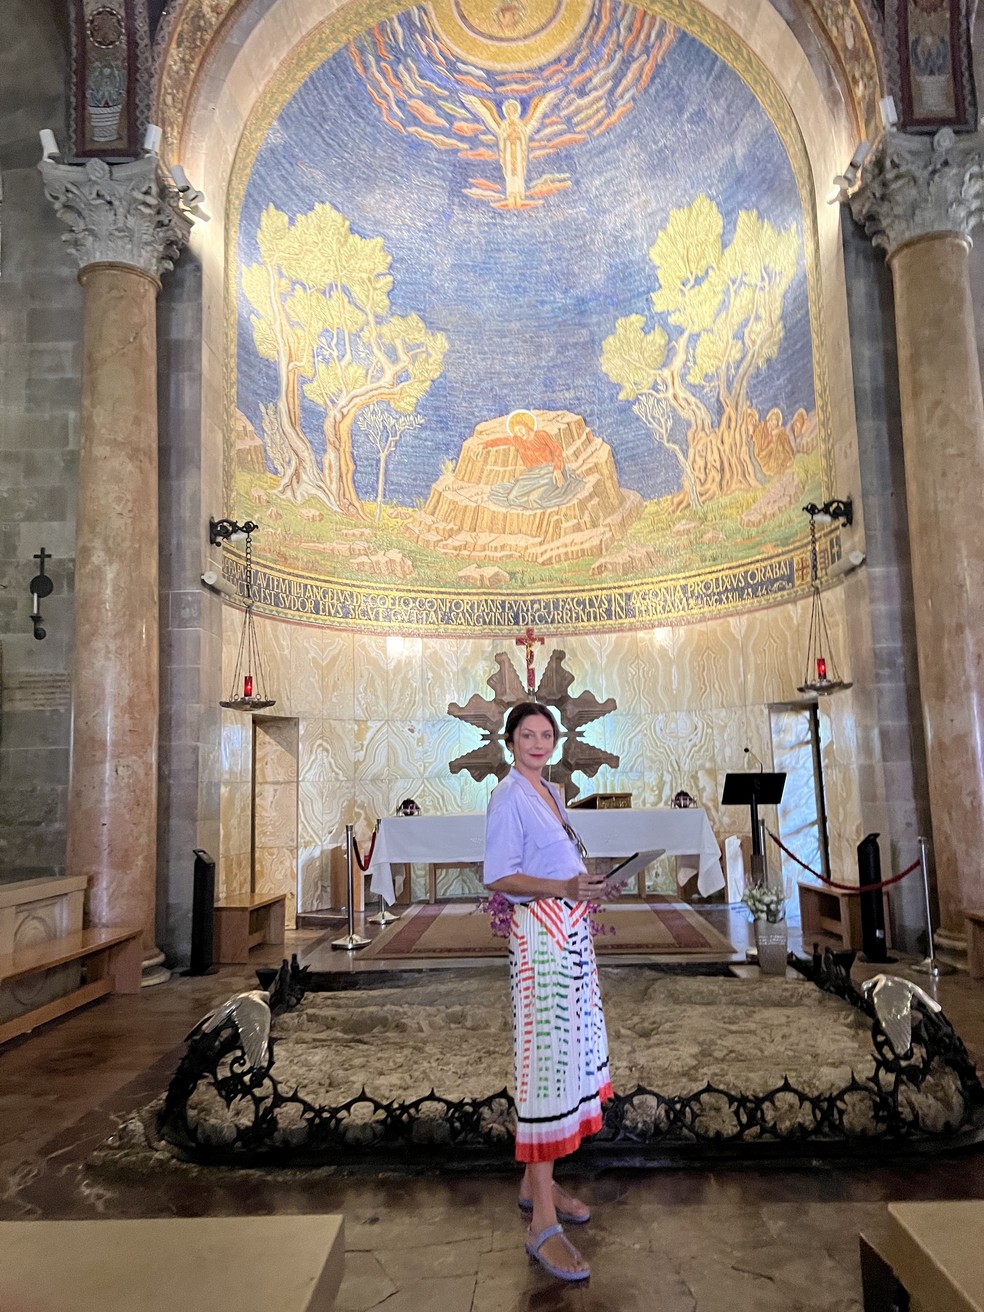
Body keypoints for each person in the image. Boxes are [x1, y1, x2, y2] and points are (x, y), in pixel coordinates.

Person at [483, 702, 611, 1282]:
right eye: (527, 734)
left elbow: (559, 861)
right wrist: (564, 885)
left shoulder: (551, 793)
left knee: (570, 1060)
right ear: (510, 741)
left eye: (546, 734)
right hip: (541, 940)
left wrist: (586, 885)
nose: (538, 742)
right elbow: (501, 876)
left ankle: (540, 1182)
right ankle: (540, 1225)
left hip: (570, 928)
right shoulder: (509, 796)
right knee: (546, 1068)